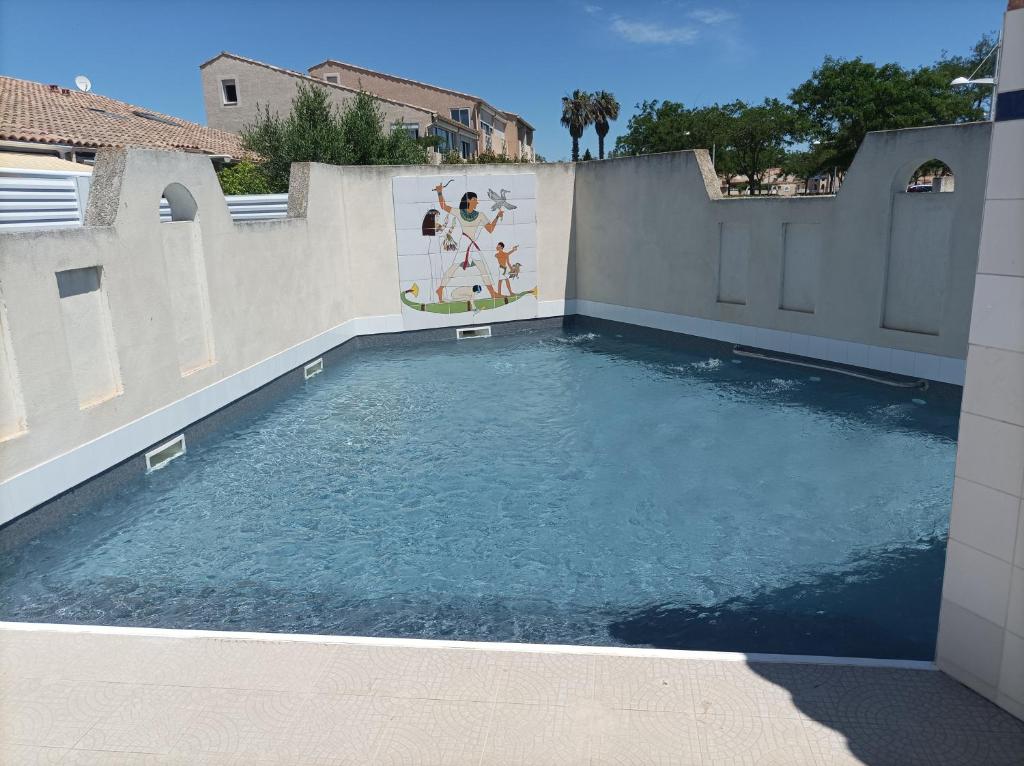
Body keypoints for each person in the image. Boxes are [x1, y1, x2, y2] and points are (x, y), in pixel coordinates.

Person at [433, 185, 504, 271]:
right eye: (475, 200)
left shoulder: (480, 215)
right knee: (452, 271)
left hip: (472, 246)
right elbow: (444, 206)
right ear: (468, 200)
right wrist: (439, 192)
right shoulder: (459, 212)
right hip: (464, 244)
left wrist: (497, 217)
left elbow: (490, 229)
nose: (477, 202)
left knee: (484, 272)